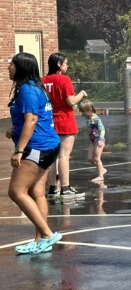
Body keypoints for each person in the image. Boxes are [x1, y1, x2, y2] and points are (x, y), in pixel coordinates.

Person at [7, 52, 63, 255]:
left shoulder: (28, 91)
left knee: (16, 192)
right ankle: (41, 241)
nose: (8, 68)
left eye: (11, 65)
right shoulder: (33, 88)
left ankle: (47, 234)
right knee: (36, 192)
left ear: (21, 67)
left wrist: (19, 150)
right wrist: (15, 131)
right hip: (48, 144)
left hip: (37, 147)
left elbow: (31, 121)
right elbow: (31, 120)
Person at [42, 52, 87, 199]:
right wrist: (81, 94)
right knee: (64, 156)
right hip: (64, 120)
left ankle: (52, 189)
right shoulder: (64, 80)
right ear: (59, 65)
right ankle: (65, 188)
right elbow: (71, 101)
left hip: (48, 121)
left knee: (51, 157)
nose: (67, 66)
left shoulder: (42, 81)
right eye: (66, 63)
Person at [78, 99, 106, 183]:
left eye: (84, 112)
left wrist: (101, 139)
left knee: (97, 158)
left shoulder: (96, 118)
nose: (82, 114)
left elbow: (102, 129)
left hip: (99, 140)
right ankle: (102, 169)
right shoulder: (89, 118)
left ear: (89, 110)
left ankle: (101, 176)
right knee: (90, 158)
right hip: (93, 141)